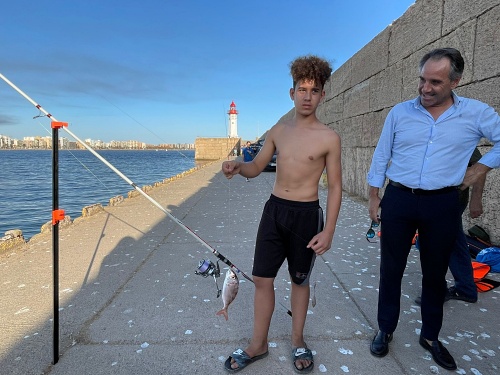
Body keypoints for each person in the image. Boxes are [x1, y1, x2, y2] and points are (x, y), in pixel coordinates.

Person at [367, 48, 500, 371]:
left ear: (456, 80)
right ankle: (385, 328)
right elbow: (381, 155)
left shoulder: (476, 113)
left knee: (435, 274)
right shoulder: (400, 113)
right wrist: (374, 196)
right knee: (391, 269)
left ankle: (431, 336)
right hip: (398, 198)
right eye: (422, 80)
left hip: (443, 202)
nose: (425, 88)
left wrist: (480, 169)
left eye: (435, 82)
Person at [222, 55, 342, 373]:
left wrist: (328, 229)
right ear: (292, 93)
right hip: (274, 211)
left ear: (322, 95)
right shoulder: (279, 130)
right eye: (301, 89)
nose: (307, 95)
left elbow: (337, 187)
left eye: (314, 90)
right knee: (262, 278)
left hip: (306, 215)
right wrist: (238, 167)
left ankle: (298, 340)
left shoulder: (329, 137)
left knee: (299, 282)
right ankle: (258, 343)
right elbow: (257, 167)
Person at [415, 148, 486, 306]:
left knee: (434, 243)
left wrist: (476, 198)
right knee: (454, 242)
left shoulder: (456, 125)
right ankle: (466, 288)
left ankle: (437, 290)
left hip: (451, 198)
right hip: (432, 198)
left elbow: (479, 163)